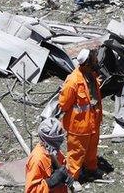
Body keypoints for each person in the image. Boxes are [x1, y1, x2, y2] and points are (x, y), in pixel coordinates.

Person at [57, 48, 103, 181]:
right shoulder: (73, 81)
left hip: (93, 122)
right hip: (78, 126)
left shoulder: (91, 75)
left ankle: (91, 169)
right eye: (93, 61)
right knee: (76, 153)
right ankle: (73, 178)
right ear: (86, 64)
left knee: (91, 149)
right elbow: (63, 104)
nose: (96, 63)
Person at [24, 118, 73, 193]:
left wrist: (67, 175)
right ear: (53, 138)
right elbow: (31, 190)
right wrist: (50, 182)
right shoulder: (37, 160)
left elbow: (62, 168)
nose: (63, 135)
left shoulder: (55, 151)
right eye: (59, 132)